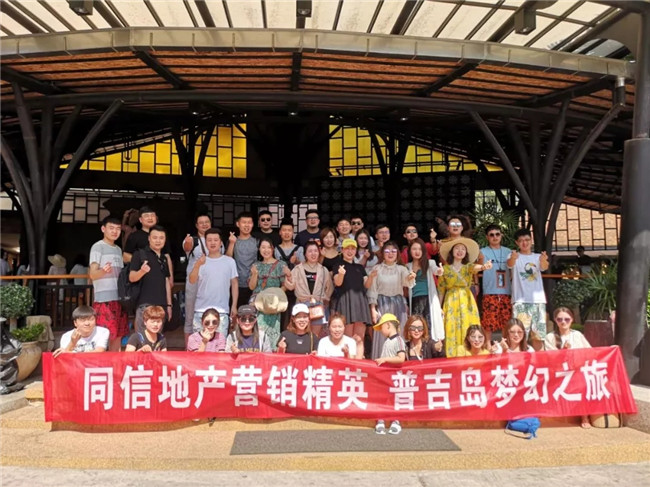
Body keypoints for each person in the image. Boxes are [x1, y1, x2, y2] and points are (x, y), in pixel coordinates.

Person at [437, 237, 492, 358]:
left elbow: (476, 268)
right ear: (451, 252)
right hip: (450, 300)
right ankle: (453, 356)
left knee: (468, 325)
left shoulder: (468, 267)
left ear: (466, 253)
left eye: (463, 249)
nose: (460, 251)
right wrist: (439, 307)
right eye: (457, 248)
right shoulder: (444, 269)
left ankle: (471, 354)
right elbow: (441, 289)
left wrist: (483, 267)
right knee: (451, 327)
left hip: (466, 300)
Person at [367, 240, 416, 359]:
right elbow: (373, 289)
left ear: (397, 253)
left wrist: (411, 277)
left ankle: (399, 359)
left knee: (399, 333)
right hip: (382, 303)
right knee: (382, 333)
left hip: (398, 303)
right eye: (387, 251)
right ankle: (381, 360)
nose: (390, 254)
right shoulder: (377, 268)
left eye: (393, 251)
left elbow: (407, 282)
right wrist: (373, 309)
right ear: (382, 253)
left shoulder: (401, 269)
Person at [545, 307, 591, 428]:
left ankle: (584, 415)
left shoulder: (578, 335)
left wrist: (609, 350)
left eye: (566, 319)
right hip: (559, 372)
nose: (563, 322)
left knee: (582, 379)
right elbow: (550, 358)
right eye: (560, 319)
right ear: (555, 320)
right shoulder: (550, 337)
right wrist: (563, 352)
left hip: (577, 371)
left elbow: (590, 352)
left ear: (572, 320)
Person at [189, 228, 238, 340]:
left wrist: (234, 305)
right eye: (209, 240)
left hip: (221, 311)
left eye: (216, 240)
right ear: (205, 243)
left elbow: (234, 284)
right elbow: (192, 280)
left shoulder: (229, 261)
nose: (212, 243)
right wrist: (198, 265)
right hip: (201, 310)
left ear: (221, 243)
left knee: (220, 345)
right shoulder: (200, 261)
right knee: (199, 345)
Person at [88, 216, 128, 352]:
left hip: (119, 298)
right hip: (104, 300)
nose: (115, 231)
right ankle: (102, 363)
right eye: (111, 228)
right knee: (104, 336)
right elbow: (92, 274)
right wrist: (103, 271)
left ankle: (115, 363)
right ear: (103, 229)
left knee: (118, 335)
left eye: (118, 229)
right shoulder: (97, 247)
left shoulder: (118, 249)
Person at [128, 225, 172, 334]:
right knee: (142, 340)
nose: (158, 241)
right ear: (149, 238)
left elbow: (166, 282)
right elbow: (131, 277)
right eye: (155, 237)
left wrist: (169, 305)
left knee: (157, 339)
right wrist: (142, 271)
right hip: (145, 306)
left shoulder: (164, 258)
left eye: (161, 238)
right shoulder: (139, 254)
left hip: (161, 306)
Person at [249, 236, 291, 349]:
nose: (266, 250)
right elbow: (251, 286)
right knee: (257, 330)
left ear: (273, 249)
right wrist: (255, 274)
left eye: (269, 247)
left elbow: (285, 285)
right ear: (259, 249)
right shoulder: (256, 265)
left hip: (273, 302)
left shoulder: (281, 265)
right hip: (257, 302)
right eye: (263, 247)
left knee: (273, 331)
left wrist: (273, 295)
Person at [286, 241, 333, 337]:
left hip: (318, 306)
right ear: (305, 254)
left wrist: (324, 299)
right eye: (310, 251)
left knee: (315, 336)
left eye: (315, 251)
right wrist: (288, 276)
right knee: (301, 334)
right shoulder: (298, 269)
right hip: (301, 304)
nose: (313, 253)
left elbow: (329, 288)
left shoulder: (323, 270)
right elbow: (290, 287)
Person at [507, 228, 549, 338]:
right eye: (521, 241)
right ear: (516, 242)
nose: (524, 243)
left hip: (538, 301)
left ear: (531, 240)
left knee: (539, 336)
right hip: (520, 301)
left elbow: (544, 267)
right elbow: (510, 264)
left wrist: (543, 260)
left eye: (527, 240)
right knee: (519, 336)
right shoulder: (513, 256)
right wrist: (513, 258)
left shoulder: (537, 257)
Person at [123, 206, 173, 289]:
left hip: (160, 276)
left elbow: (167, 256)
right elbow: (125, 257)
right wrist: (143, 261)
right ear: (140, 220)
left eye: (152, 215)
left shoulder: (162, 235)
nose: (150, 218)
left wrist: (170, 277)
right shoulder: (134, 236)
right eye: (146, 216)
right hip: (141, 278)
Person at [330, 238, 372, 339]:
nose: (350, 251)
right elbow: (338, 283)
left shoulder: (360, 267)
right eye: (347, 248)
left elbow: (367, 285)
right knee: (347, 338)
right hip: (345, 301)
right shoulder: (338, 266)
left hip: (360, 301)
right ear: (342, 250)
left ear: (356, 251)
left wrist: (372, 277)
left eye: (352, 249)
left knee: (359, 338)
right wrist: (341, 274)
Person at [478, 224, 513, 343]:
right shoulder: (482, 252)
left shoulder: (508, 252)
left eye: (497, 234)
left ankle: (505, 346)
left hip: (506, 292)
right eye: (491, 235)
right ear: (487, 237)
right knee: (488, 323)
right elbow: (477, 268)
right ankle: (488, 347)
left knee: (506, 323)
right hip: (490, 291)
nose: (495, 237)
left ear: (501, 235)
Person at [182, 211, 212, 346]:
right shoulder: (192, 240)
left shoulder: (217, 240)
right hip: (194, 283)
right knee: (190, 315)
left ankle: (209, 346)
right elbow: (186, 247)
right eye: (201, 223)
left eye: (207, 222)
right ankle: (188, 348)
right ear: (196, 225)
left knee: (210, 314)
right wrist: (187, 242)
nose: (204, 225)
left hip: (211, 283)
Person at [373, 313, 406, 435]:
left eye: (381, 327)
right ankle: (380, 419)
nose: (381, 331)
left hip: (395, 376)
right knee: (382, 397)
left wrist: (385, 359)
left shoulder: (399, 340)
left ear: (388, 325)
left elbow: (401, 358)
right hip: (385, 375)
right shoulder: (388, 340)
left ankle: (395, 420)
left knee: (394, 399)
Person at [406, 238, 444, 341]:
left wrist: (440, 271)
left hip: (428, 298)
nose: (417, 251)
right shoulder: (407, 266)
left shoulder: (430, 262)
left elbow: (436, 270)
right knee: (416, 325)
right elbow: (405, 282)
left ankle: (429, 346)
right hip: (414, 299)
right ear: (410, 251)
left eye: (420, 249)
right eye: (414, 249)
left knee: (428, 323)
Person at [226, 211, 258, 307]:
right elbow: (227, 260)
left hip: (253, 284)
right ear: (238, 224)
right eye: (244, 222)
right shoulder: (232, 240)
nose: (247, 225)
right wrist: (232, 243)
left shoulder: (257, 241)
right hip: (236, 284)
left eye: (249, 222)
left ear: (252, 224)